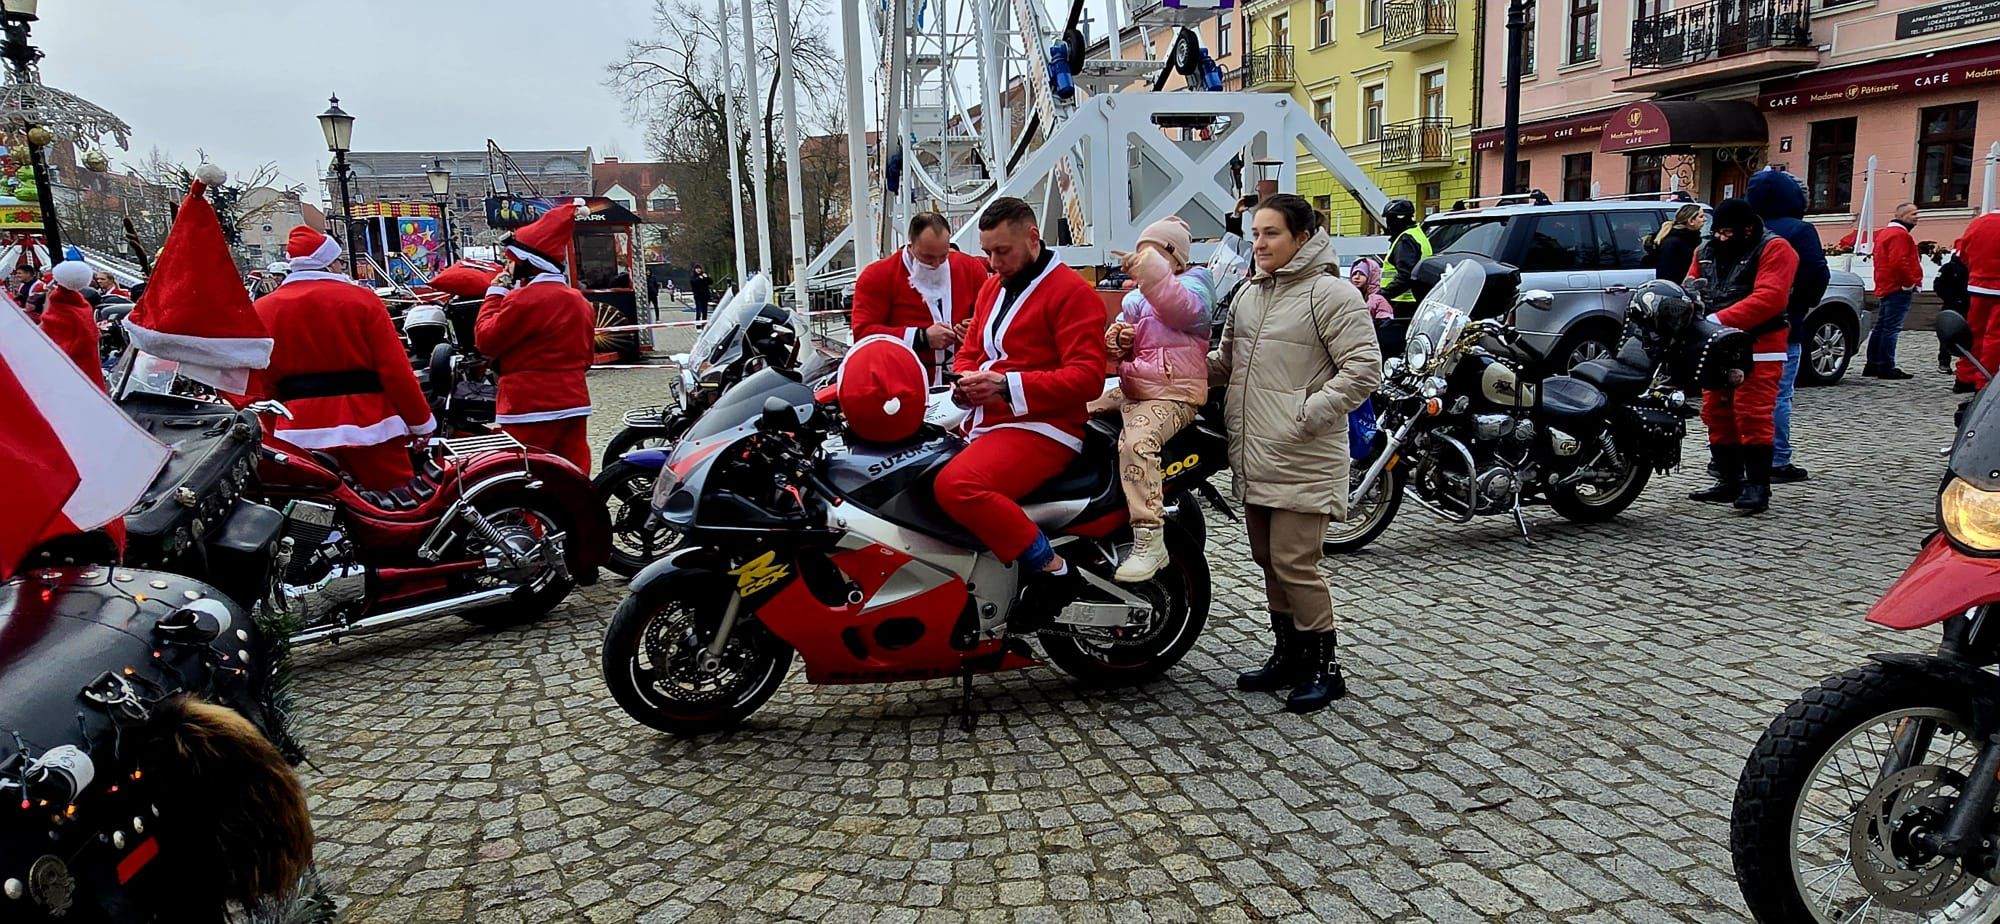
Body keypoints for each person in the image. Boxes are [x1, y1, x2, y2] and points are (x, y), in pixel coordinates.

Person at [1211, 193, 1382, 714]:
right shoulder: (1249, 294)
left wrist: (1307, 412)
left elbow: (1364, 368)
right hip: (1259, 450)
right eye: (1255, 234)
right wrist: (1165, 368)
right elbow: (1226, 362)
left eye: (1271, 234)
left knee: (1295, 561)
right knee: (1268, 560)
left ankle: (1325, 668)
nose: (1259, 244)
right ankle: (1288, 654)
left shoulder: (1330, 294)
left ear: (1303, 238)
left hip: (1303, 452)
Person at [936, 197, 1107, 628]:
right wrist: (963, 384)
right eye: (987, 253)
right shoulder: (993, 285)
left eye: (1002, 252)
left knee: (958, 486)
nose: (993, 264)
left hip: (1046, 428)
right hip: (990, 420)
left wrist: (1004, 387)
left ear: (1033, 238)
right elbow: (972, 349)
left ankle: (1053, 571)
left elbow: (1087, 378)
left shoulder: (1073, 293)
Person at [239, 227, 436, 490]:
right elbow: (395, 371)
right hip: (371, 423)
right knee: (396, 508)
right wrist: (420, 423)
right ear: (329, 263)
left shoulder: (262, 309)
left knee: (316, 509)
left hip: (299, 426)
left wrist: (275, 427)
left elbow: (261, 382)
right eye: (340, 261)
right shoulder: (362, 300)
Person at [1097, 216, 1213, 583]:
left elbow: (1176, 307)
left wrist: (1148, 269)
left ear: (1173, 257)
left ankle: (1149, 538)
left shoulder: (1196, 287)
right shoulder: (1137, 298)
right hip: (1136, 386)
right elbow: (1129, 341)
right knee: (1074, 410)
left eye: (1153, 251)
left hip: (1175, 393)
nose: (1143, 257)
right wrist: (1118, 340)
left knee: (1136, 443)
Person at [1686, 199, 1799, 515]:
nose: (1721, 238)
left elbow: (1770, 298)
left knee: (1752, 412)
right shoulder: (1705, 251)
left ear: (1747, 229)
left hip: (1759, 341)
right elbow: (1691, 286)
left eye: (1726, 232)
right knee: (1715, 410)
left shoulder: (1775, 249)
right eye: (1717, 231)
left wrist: (1718, 319)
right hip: (1717, 341)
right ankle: (1728, 477)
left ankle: (1758, 485)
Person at [477, 201, 597, 473]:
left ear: (526, 264)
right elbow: (587, 357)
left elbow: (486, 339)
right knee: (573, 474)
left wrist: (494, 294)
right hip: (574, 400)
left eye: (511, 260)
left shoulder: (523, 301)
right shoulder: (579, 301)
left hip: (527, 404)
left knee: (526, 475)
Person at [1748, 167, 1829, 485]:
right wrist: (1801, 305)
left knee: (1740, 394)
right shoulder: (1798, 231)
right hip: (1782, 323)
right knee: (1777, 395)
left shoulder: (1745, 228)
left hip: (1739, 322)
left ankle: (1731, 457)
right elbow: (1816, 274)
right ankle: (1777, 458)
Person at [850, 211, 990, 383]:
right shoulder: (878, 275)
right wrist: (921, 337)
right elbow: (863, 334)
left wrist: (977, 330)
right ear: (910, 247)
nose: (937, 264)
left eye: (943, 256)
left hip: (964, 379)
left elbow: (988, 318)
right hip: (905, 382)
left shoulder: (970, 268)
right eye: (928, 257)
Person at [1866, 202, 1923, 379]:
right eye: (1913, 214)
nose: (1917, 217)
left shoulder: (1886, 233)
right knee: (1891, 328)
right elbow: (1899, 261)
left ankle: (1873, 364)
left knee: (1882, 326)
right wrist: (1909, 283)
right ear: (1902, 216)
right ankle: (1885, 365)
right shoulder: (1900, 235)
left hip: (1887, 284)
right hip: (1897, 286)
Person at [39, 261, 103, 389]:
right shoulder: (84, 307)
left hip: (66, 373)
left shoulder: (59, 311)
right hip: (87, 368)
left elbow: (44, 344)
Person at [1957, 212, 2000, 392]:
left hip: (1978, 286)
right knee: (1995, 338)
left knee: (1973, 334)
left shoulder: (1979, 223)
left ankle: (1964, 377)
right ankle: (1984, 380)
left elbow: (1962, 253)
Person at [1376, 198, 1431, 316]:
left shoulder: (1405, 240)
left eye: (1389, 219)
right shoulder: (1418, 234)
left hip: (1402, 302)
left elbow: (1405, 276)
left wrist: (1382, 295)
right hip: (1415, 300)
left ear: (1397, 219)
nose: (1387, 223)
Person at [1650, 204, 1706, 282]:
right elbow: (1667, 275)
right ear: (1691, 221)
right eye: (1701, 216)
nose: (1705, 219)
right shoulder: (1672, 243)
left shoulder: (1693, 239)